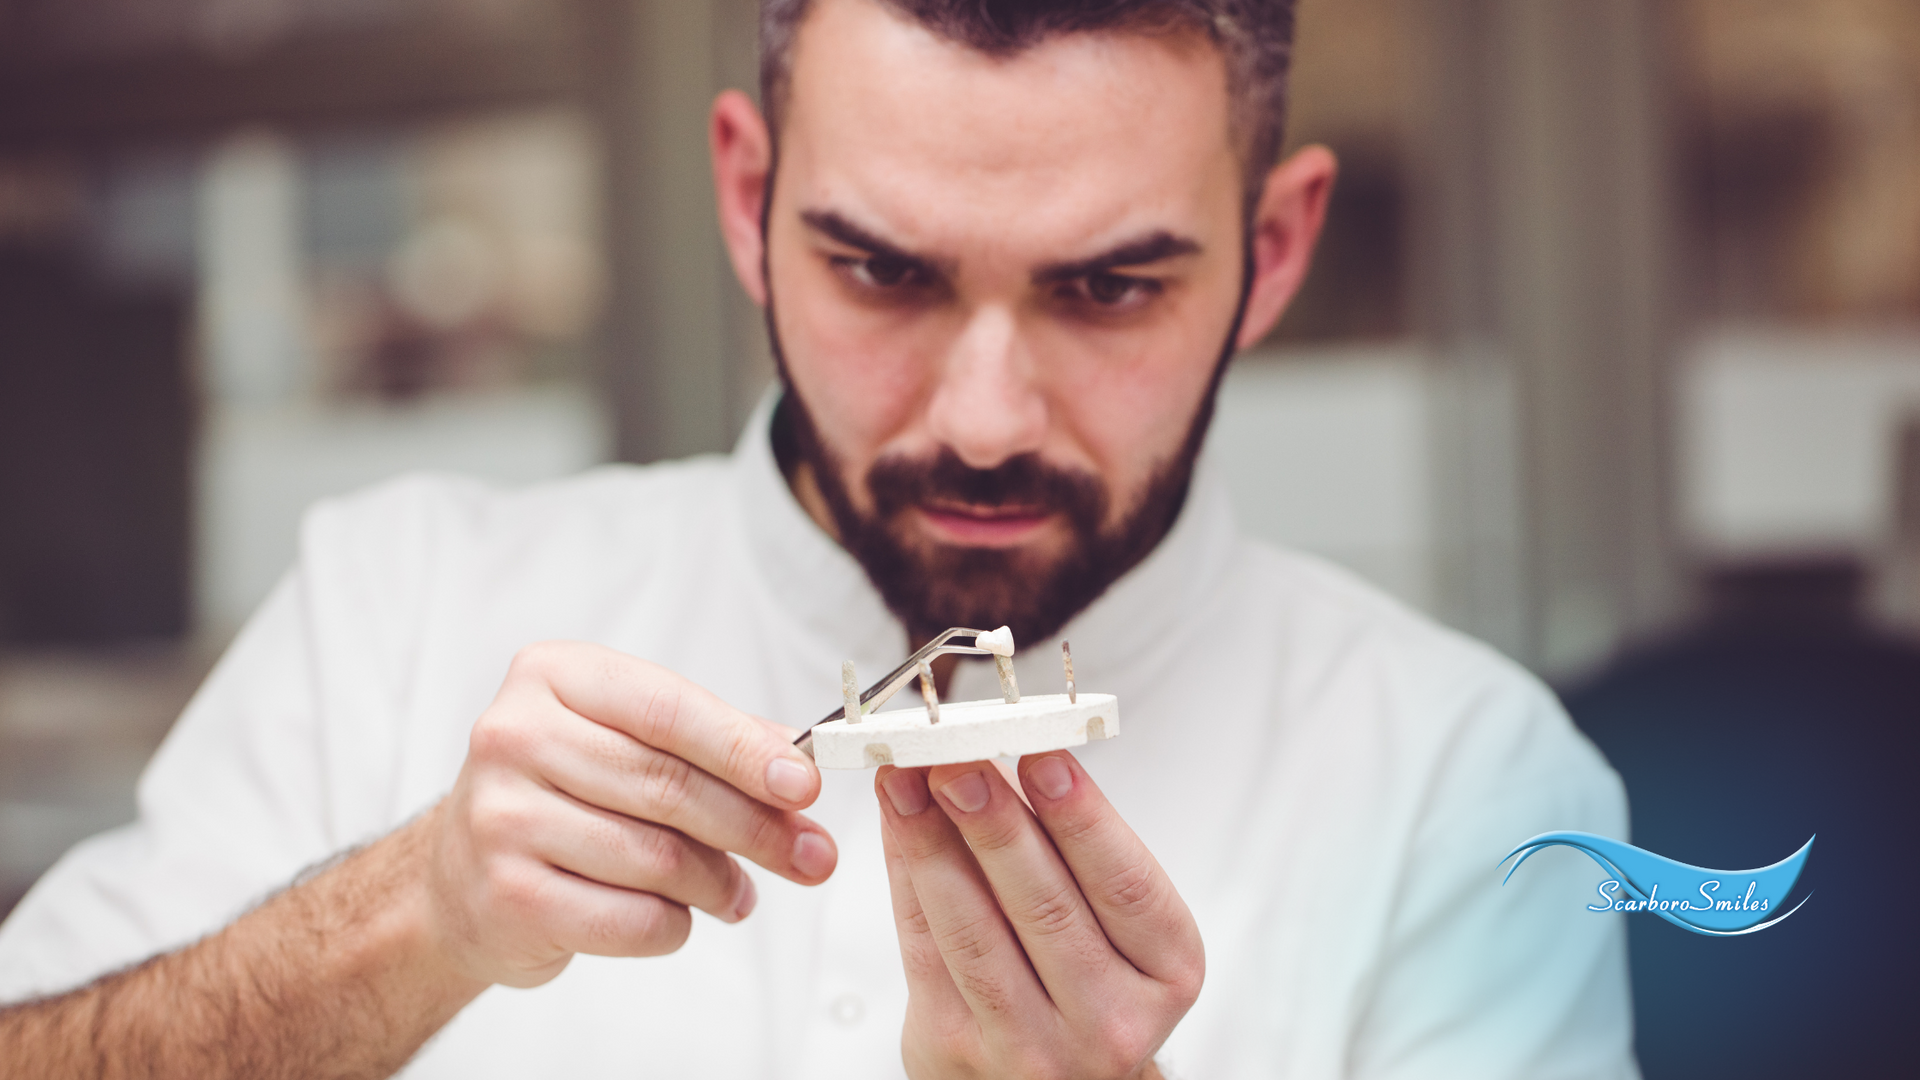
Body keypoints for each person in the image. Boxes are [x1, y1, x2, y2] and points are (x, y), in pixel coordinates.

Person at [0, 1, 1635, 1077]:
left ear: (1273, 255)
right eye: (885, 272)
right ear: (746, 198)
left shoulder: (1476, 794)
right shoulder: (396, 606)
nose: (986, 416)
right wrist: (407, 920)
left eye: (1109, 287)